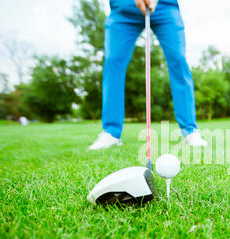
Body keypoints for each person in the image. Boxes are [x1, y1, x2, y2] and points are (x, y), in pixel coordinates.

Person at [89, 0, 207, 150]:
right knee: (113, 62)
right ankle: (111, 132)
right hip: (123, 8)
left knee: (178, 59)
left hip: (165, 6)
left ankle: (190, 131)